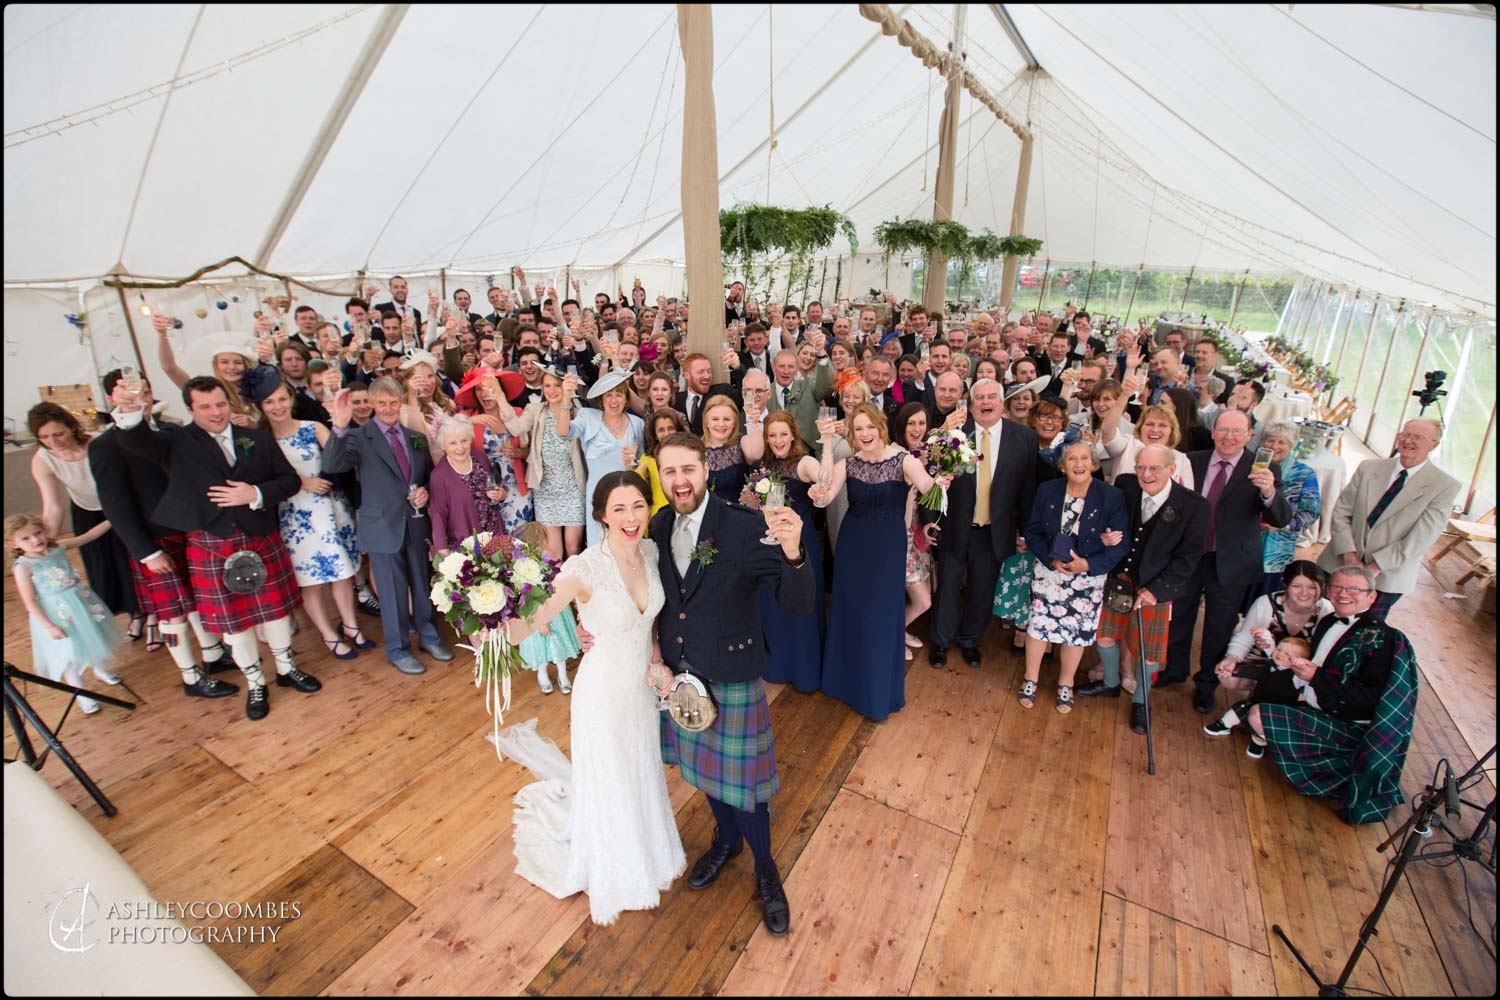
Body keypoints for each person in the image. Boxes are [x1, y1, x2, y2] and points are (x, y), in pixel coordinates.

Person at [647, 433, 814, 935]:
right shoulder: (657, 524)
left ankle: (766, 869)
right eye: (669, 471)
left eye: (688, 470)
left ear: (706, 471)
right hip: (682, 677)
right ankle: (726, 839)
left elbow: (797, 602)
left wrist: (793, 551)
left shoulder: (742, 528)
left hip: (734, 676)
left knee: (748, 790)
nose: (679, 481)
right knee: (702, 775)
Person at [113, 376, 320, 720]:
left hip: (260, 537)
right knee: (234, 624)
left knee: (277, 614)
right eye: (205, 406)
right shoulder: (175, 442)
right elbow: (137, 441)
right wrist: (128, 409)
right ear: (190, 409)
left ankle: (286, 669)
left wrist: (253, 494)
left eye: (220, 404)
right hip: (213, 545)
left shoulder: (257, 438)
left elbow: (288, 481)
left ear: (230, 403)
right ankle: (256, 682)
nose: (215, 412)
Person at [88, 371, 234, 698]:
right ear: (114, 398)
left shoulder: (171, 431)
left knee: (196, 601)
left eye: (144, 388)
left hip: (189, 533)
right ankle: (189, 675)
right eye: (126, 391)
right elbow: (114, 505)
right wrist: (146, 552)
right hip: (153, 542)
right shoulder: (105, 446)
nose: (138, 395)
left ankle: (212, 655)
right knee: (173, 613)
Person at [1243, 567, 1418, 824]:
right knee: (1257, 702)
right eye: (1337, 588)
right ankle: (1293, 745)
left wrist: (1317, 678)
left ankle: (1332, 768)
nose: (1343, 594)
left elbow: (1369, 703)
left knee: (1257, 716)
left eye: (1354, 589)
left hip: (1347, 725)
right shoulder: (1328, 621)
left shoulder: (1384, 640)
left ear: (1372, 598)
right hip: (1312, 702)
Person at [813, 404, 947, 719]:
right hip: (852, 545)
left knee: (880, 613)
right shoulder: (849, 463)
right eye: (858, 429)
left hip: (887, 547)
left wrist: (943, 482)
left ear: (880, 427)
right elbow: (825, 495)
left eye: (869, 427)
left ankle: (876, 692)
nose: (865, 434)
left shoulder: (905, 461)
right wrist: (828, 446)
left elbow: (933, 495)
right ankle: (845, 683)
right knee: (852, 611)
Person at [323, 378, 455, 676]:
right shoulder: (358, 437)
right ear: (371, 404)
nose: (387, 408)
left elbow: (428, 477)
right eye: (381, 403)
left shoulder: (415, 437)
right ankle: (398, 650)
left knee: (422, 586)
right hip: (382, 526)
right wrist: (340, 426)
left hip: (416, 522)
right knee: (393, 593)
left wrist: (425, 491)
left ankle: (429, 637)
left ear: (400, 403)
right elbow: (332, 465)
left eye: (393, 402)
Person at [1166, 409, 1293, 715]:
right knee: (1180, 615)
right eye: (1223, 430)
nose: (1229, 437)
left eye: (1237, 432)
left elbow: (1281, 517)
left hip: (1232, 561)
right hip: (1190, 556)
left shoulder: (1263, 468)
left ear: (1249, 435)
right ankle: (1174, 669)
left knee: (1219, 626)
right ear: (1213, 432)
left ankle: (1207, 683)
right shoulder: (1191, 460)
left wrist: (1268, 491)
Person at [1077, 444, 1208, 732]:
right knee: (1105, 636)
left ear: (1172, 470)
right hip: (1119, 576)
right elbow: (1103, 519)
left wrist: (1156, 590)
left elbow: (1188, 560)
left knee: (1148, 652)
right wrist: (1104, 535)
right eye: (1140, 467)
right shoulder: (1125, 485)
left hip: (1155, 585)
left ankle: (1140, 701)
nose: (1146, 474)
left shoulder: (1194, 506)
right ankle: (1110, 683)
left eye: (1154, 468)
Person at [250, 376, 368, 661]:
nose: (278, 406)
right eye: (270, 401)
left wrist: (339, 425)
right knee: (311, 581)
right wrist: (301, 482)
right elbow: (261, 478)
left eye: (282, 399)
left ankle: (351, 624)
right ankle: (328, 634)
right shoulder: (260, 439)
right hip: (296, 517)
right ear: (261, 406)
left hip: (332, 509)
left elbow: (340, 459)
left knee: (343, 571)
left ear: (291, 399)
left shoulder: (312, 427)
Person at [929, 379, 1039, 669]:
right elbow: (932, 482)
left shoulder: (1025, 438)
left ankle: (969, 640)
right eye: (980, 397)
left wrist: (1025, 531)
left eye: (992, 397)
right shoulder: (953, 434)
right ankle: (940, 642)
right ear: (970, 403)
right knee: (948, 587)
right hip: (953, 526)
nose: (986, 402)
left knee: (982, 589)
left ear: (1002, 403)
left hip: (994, 530)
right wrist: (930, 522)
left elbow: (1027, 489)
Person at [1017, 442, 1128, 712]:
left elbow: (1121, 544)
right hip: (1050, 571)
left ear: (1093, 463)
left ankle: (1065, 684)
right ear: (1062, 465)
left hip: (1087, 577)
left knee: (1075, 633)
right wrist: (1050, 558)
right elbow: (1031, 531)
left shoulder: (1111, 496)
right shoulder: (1048, 490)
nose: (1078, 464)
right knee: (1038, 626)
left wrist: (1088, 565)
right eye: (1071, 459)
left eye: (1084, 459)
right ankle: (1030, 679)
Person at [1316, 418, 1461, 619]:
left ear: (1434, 445)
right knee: (1320, 617)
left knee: (1363, 635)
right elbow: (1341, 512)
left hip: (1386, 577)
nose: (1408, 440)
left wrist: (1374, 568)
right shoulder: (1369, 468)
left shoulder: (1444, 485)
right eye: (1405, 434)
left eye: (1417, 437)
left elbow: (1420, 538)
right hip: (1338, 563)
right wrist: (1350, 556)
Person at [27, 402, 140, 630]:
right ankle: (129, 614)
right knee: (101, 566)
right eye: (45, 437)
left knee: (130, 561)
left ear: (71, 427)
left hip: (120, 504)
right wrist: (45, 543)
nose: (53, 442)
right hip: (86, 510)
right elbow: (52, 507)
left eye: (59, 434)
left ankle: (144, 613)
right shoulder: (43, 460)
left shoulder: (99, 443)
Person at [8, 513, 125, 714]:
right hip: (56, 613)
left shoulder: (58, 548)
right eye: (26, 538)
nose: (35, 540)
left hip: (81, 601)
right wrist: (49, 626)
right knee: (69, 653)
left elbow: (88, 536)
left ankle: (100, 668)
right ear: (13, 544)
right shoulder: (23, 567)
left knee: (93, 635)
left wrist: (116, 516)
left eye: (38, 533)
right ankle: (82, 695)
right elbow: (29, 602)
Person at [753, 411, 826, 693]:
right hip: (771, 541)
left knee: (802, 601)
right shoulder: (763, 464)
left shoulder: (804, 462)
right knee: (773, 602)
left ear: (793, 434)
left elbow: (823, 478)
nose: (778, 440)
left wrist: (828, 444)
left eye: (783, 434)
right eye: (772, 435)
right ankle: (777, 664)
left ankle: (803, 669)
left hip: (800, 540)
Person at [503, 369, 587, 560]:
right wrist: (500, 397)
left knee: (573, 547)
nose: (552, 390)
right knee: (553, 553)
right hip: (545, 488)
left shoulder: (578, 413)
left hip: (572, 487)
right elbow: (516, 427)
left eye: (557, 385)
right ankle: (557, 589)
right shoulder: (535, 410)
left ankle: (576, 587)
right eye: (547, 385)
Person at [1248, 423, 1322, 604]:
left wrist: (1283, 525)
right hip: (1244, 546)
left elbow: (1310, 512)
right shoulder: (1250, 467)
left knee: (1264, 602)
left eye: (1281, 442)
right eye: (1270, 441)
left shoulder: (1304, 473)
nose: (1274, 446)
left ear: (1292, 446)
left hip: (1276, 552)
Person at [571, 373, 646, 547]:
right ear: (601, 400)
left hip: (627, 496)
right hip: (598, 495)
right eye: (608, 395)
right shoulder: (587, 417)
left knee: (627, 542)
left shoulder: (637, 424)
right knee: (598, 544)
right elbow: (566, 432)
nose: (614, 400)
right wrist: (566, 399)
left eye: (619, 394)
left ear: (626, 399)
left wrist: (631, 464)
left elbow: (641, 465)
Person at [510, 521, 583, 696]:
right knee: (540, 649)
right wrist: (540, 622)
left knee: (559, 645)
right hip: (536, 614)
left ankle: (562, 675)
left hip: (555, 611)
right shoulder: (522, 573)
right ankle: (542, 675)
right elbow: (526, 599)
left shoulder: (548, 562)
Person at [892, 404, 935, 661]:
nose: (917, 429)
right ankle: (894, 635)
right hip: (900, 535)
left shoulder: (926, 453)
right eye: (911, 423)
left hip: (919, 534)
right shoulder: (895, 454)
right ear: (901, 426)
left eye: (922, 423)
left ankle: (901, 628)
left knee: (928, 591)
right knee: (923, 600)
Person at [428, 414, 506, 552]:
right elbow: (438, 516)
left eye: (464, 441)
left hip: (494, 536)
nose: (460, 447)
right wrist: (443, 553)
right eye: (453, 443)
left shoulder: (480, 457)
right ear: (444, 446)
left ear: (470, 439)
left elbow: (496, 487)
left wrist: (501, 494)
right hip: (466, 545)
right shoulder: (439, 476)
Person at [701, 394, 764, 504]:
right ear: (706, 422)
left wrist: (754, 423)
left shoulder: (741, 442)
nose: (721, 424)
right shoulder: (696, 449)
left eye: (727, 419)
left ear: (735, 423)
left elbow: (756, 454)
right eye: (715, 419)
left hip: (739, 514)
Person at [635, 409, 688, 514]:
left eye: (670, 428)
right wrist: (628, 464)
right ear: (655, 435)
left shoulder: (689, 455)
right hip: (659, 516)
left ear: (678, 430)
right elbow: (636, 478)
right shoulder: (648, 459)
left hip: (686, 512)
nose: (666, 433)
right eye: (661, 430)